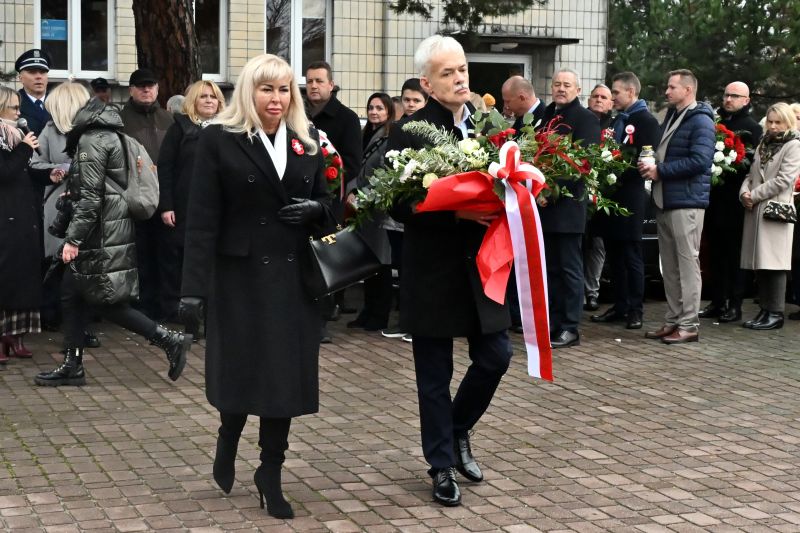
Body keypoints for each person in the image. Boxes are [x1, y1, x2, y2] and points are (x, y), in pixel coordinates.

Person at [179, 54, 330, 519]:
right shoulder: (218, 141)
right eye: (267, 89)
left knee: (281, 378)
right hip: (239, 278)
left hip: (292, 279)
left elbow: (332, 205)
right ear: (249, 92)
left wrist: (316, 212)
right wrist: (192, 291)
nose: (277, 99)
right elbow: (201, 219)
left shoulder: (308, 142)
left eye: (285, 89)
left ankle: (270, 470)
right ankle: (228, 437)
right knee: (243, 371)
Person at [386, 34, 512, 507]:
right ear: (427, 82)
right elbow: (396, 202)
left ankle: (458, 431)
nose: (460, 78)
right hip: (434, 268)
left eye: (462, 69)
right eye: (447, 72)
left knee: (496, 357)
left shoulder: (489, 126)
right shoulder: (410, 130)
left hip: (484, 265)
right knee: (434, 375)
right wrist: (452, 211)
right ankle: (440, 464)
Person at [34, 97, 192, 387]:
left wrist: (74, 240)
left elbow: (93, 198)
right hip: (109, 227)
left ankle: (169, 339)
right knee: (73, 293)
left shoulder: (93, 140)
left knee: (107, 301)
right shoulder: (113, 136)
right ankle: (73, 364)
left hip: (99, 231)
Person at [639, 69, 715, 344]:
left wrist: (661, 171)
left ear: (688, 90)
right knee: (669, 266)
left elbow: (700, 161)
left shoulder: (701, 121)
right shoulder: (673, 115)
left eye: (672, 87)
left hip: (687, 201)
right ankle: (673, 320)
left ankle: (689, 324)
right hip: (666, 199)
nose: (667, 92)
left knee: (687, 264)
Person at [31, 82, 102, 347]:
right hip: (60, 205)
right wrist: (58, 168)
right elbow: (35, 162)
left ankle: (78, 324)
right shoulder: (50, 130)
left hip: (85, 203)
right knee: (60, 266)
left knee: (81, 267)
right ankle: (59, 319)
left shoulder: (93, 131)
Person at [591, 72, 661, 330]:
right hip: (612, 196)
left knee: (632, 254)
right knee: (614, 253)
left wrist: (617, 167)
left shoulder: (645, 121)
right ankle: (620, 305)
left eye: (616, 92)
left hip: (630, 196)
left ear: (631, 92)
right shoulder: (617, 120)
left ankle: (635, 309)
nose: (613, 96)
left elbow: (646, 159)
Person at [537, 69, 602, 348]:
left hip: (566, 207)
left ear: (578, 89)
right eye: (557, 84)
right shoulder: (546, 115)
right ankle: (552, 323)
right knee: (549, 269)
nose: (561, 89)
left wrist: (547, 192)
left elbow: (581, 163)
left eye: (567, 85)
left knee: (569, 269)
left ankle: (570, 327)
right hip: (542, 206)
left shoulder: (585, 119)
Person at [157, 81, 226, 337]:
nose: (209, 101)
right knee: (188, 262)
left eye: (214, 97)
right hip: (186, 206)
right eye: (203, 97)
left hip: (218, 209)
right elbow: (165, 168)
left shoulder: (228, 129)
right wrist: (167, 206)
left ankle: (214, 318)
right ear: (193, 101)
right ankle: (190, 321)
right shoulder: (180, 128)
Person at [305, 60, 362, 342]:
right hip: (300, 202)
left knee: (325, 261)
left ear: (331, 85)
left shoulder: (347, 118)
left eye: (319, 81)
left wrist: (326, 181)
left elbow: (352, 162)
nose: (313, 86)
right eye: (309, 81)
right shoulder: (298, 114)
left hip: (330, 203)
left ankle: (323, 321)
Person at [0, 86, 57, 362]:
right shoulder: (8, 139)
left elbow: (26, 172)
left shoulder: (19, 136)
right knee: (6, 275)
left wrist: (50, 176)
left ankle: (16, 334)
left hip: (24, 214)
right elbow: (5, 172)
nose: (19, 113)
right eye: (13, 107)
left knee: (24, 274)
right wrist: (23, 148)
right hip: (4, 217)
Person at [699, 82, 762, 323]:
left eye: (734, 96)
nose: (728, 99)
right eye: (725, 94)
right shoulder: (716, 124)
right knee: (714, 254)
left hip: (736, 201)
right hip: (714, 198)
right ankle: (717, 300)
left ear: (746, 100)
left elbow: (753, 167)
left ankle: (735, 305)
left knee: (734, 256)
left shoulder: (752, 128)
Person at [120, 68, 175, 321]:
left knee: (166, 254)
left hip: (164, 197)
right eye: (140, 86)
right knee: (139, 254)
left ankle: (167, 306)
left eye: (150, 85)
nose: (146, 90)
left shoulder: (168, 119)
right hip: (134, 197)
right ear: (131, 89)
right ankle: (143, 307)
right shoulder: (120, 119)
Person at [739, 103, 800, 330]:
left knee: (775, 263)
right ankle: (765, 310)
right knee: (761, 264)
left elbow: (784, 180)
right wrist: (744, 192)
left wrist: (753, 195)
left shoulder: (793, 145)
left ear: (787, 122)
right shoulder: (764, 144)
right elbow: (751, 173)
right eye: (771, 121)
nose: (773, 126)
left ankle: (775, 312)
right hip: (757, 209)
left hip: (776, 210)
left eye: (778, 122)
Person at [381, 78, 429, 342]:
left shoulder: (428, 128)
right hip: (402, 207)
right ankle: (406, 319)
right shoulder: (399, 128)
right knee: (404, 266)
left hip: (423, 206)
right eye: (407, 100)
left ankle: (416, 322)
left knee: (419, 269)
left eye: (416, 100)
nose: (410, 105)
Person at [346, 92, 396, 331]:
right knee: (368, 263)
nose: (374, 112)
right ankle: (367, 312)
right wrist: (352, 191)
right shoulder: (366, 134)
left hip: (377, 208)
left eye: (379, 108)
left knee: (381, 264)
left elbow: (385, 172)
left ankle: (379, 315)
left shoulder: (389, 136)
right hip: (362, 206)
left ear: (388, 111)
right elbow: (358, 166)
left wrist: (367, 196)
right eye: (371, 107)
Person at [583, 83, 615, 311]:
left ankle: (592, 291)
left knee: (597, 245)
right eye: (595, 96)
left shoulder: (615, 126)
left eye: (604, 97)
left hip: (604, 194)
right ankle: (579, 293)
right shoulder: (582, 121)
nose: (599, 100)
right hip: (580, 191)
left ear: (611, 103)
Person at [15, 49, 52, 136]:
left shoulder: (58, 103)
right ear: (20, 78)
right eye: (32, 72)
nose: (38, 76)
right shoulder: (12, 104)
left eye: (43, 72)